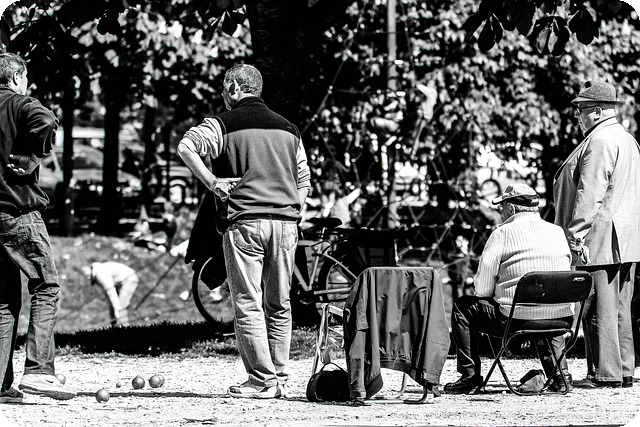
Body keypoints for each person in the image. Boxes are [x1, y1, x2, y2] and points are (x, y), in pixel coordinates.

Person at [177, 64, 311, 399]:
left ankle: (262, 380)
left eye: (225, 88)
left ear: (235, 87)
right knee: (280, 303)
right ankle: (279, 378)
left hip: (246, 222)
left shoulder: (222, 124)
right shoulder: (289, 128)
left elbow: (186, 147)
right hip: (286, 224)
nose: (223, 94)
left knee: (248, 302)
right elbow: (304, 178)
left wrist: (213, 182)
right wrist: (293, 208)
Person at [444, 183, 574, 394]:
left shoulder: (502, 233)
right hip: (561, 320)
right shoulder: (557, 232)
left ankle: (470, 377)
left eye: (502, 206)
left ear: (511, 208)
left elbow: (482, 289)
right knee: (548, 304)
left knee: (463, 307)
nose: (500, 211)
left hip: (514, 321)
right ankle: (561, 375)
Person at [554, 80, 640, 388]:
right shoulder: (627, 139)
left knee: (598, 307)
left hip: (601, 238)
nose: (577, 116)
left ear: (598, 111)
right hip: (627, 239)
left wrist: (575, 236)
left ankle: (605, 373)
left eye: (580, 110)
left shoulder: (600, 140)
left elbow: (589, 194)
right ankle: (624, 369)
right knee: (620, 307)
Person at [0, 52, 76, 402]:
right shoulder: (19, 103)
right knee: (46, 285)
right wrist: (30, 156)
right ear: (17, 77)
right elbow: (45, 120)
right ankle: (39, 370)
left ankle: (1, 385)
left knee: (3, 302)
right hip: (18, 212)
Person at [82, 261, 140, 326]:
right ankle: (115, 326)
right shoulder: (95, 275)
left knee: (120, 307)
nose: (88, 278)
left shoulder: (100, 273)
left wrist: (117, 310)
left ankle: (124, 326)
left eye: (88, 275)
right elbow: (107, 293)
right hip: (120, 283)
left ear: (89, 269)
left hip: (129, 280)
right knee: (113, 307)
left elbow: (111, 291)